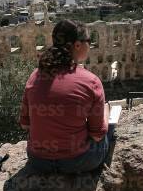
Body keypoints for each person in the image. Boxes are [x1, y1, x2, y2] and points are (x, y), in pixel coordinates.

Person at [19, 19, 110, 174]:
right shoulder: (91, 81)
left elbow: (25, 125)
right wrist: (106, 112)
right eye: (89, 41)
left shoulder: (34, 77)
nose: (90, 45)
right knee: (110, 130)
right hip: (77, 161)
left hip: (38, 160)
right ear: (77, 45)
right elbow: (97, 135)